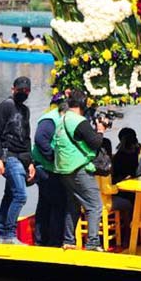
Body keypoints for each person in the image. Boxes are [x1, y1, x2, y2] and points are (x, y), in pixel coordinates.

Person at [53, 90, 107, 251]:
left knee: (73, 204)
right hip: (79, 168)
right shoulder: (78, 121)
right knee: (94, 205)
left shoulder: (62, 119)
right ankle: (92, 243)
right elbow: (96, 143)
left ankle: (69, 241)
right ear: (83, 104)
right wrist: (101, 130)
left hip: (63, 169)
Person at [0, 76, 36, 244]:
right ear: (13, 89)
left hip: (21, 157)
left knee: (10, 195)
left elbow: (27, 138)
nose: (23, 93)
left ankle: (2, 234)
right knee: (21, 195)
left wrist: (30, 161)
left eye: (26, 91)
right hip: (8, 155)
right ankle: (9, 234)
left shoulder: (25, 110)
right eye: (20, 90)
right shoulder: (4, 107)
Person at [31, 92, 67, 247]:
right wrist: (52, 157)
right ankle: (53, 242)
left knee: (45, 204)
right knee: (57, 204)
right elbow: (40, 139)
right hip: (45, 167)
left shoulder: (58, 118)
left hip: (49, 168)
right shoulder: (50, 119)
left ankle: (42, 239)